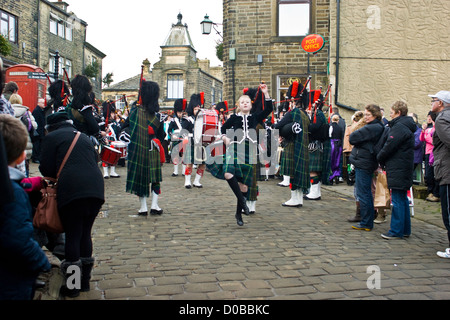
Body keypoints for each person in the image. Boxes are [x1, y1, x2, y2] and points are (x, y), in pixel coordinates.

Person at [39, 111, 105, 297]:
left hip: (73, 190)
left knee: (73, 235)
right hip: (96, 189)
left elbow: (46, 168)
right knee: (85, 234)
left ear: (50, 128)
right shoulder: (82, 136)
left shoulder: (52, 137)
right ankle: (84, 282)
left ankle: (73, 286)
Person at [0, 114, 51, 300]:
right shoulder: (13, 192)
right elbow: (18, 238)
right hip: (11, 281)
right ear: (22, 155)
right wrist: (41, 262)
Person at [208, 83, 273, 226]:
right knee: (228, 174)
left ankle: (238, 214)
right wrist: (225, 138)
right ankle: (243, 202)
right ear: (238, 105)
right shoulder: (234, 118)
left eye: (247, 102)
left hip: (249, 150)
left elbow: (269, 108)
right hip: (234, 148)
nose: (245, 104)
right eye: (242, 102)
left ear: (251, 105)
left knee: (244, 186)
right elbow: (223, 128)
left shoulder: (255, 117)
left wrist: (266, 93)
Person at [377, 101, 416, 239]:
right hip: (402, 166)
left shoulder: (399, 127)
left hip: (398, 166)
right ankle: (405, 229)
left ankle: (396, 231)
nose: (390, 114)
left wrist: (379, 157)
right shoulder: (405, 126)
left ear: (398, 112)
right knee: (402, 198)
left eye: (392, 111)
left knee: (398, 199)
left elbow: (389, 145)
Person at [126, 81, 165, 216]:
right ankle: (154, 206)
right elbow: (162, 136)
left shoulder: (135, 112)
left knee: (140, 179)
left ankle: (143, 207)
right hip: (153, 149)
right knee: (155, 179)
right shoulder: (158, 116)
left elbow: (125, 128)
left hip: (137, 149)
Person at [349, 104, 384, 231]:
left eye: (368, 114)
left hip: (365, 162)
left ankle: (366, 222)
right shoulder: (375, 126)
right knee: (365, 192)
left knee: (364, 193)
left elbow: (352, 137)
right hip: (364, 161)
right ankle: (366, 220)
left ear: (375, 115)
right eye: (365, 114)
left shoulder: (373, 127)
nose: (366, 117)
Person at [274, 81, 310, 207]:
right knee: (300, 172)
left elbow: (277, 126)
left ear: (293, 100)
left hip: (292, 145)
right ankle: (298, 198)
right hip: (304, 147)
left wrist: (285, 131)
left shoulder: (293, 112)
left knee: (294, 173)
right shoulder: (306, 115)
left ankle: (295, 198)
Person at [428, 91, 450, 258]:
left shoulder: (442, 118)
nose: (431, 103)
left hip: (447, 171)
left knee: (448, 212)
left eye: (433, 100)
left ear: (441, 103)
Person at [304, 90, 332, 200]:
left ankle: (315, 193)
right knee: (313, 170)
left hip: (315, 145)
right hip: (315, 144)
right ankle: (315, 191)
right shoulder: (317, 113)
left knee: (313, 170)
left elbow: (314, 127)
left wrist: (305, 127)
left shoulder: (318, 113)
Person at [66, 75, 106, 143]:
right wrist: (101, 133)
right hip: (83, 142)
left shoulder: (69, 107)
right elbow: (95, 129)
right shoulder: (85, 108)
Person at [182, 93, 207, 189]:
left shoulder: (204, 119)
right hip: (191, 142)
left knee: (202, 163)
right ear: (192, 109)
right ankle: (187, 181)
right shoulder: (188, 120)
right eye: (196, 109)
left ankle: (197, 181)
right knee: (190, 162)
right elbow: (184, 131)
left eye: (199, 108)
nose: (198, 110)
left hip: (201, 143)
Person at [10, 93, 37, 177]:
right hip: (25, 143)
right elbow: (35, 126)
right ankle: (25, 183)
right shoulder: (27, 112)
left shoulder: (8, 110)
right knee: (26, 166)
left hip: (11, 143)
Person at [420, 111, 440, 202]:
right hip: (427, 153)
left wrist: (427, 136)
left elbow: (432, 140)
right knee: (428, 174)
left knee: (434, 174)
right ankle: (430, 191)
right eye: (427, 116)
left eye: (429, 117)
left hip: (434, 153)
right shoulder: (428, 128)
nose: (428, 118)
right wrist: (423, 131)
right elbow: (422, 139)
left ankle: (435, 193)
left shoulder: (435, 127)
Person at [168, 99, 186, 176]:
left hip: (183, 139)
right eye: (179, 112)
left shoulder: (186, 120)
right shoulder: (173, 120)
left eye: (181, 112)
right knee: (175, 155)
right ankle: (175, 171)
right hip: (176, 138)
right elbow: (169, 130)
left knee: (183, 155)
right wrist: (172, 135)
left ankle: (184, 171)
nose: (180, 114)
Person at [329, 114, 344, 184]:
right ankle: (337, 176)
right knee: (337, 161)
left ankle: (331, 178)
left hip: (332, 145)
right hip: (338, 145)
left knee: (331, 161)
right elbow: (341, 137)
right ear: (338, 120)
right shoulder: (340, 128)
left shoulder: (330, 127)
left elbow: (329, 136)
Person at [31, 98, 46, 163]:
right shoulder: (37, 111)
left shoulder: (40, 110)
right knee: (37, 145)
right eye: (42, 103)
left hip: (40, 130)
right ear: (38, 103)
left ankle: (37, 157)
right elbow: (37, 122)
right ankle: (35, 158)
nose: (44, 104)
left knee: (38, 145)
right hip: (38, 131)